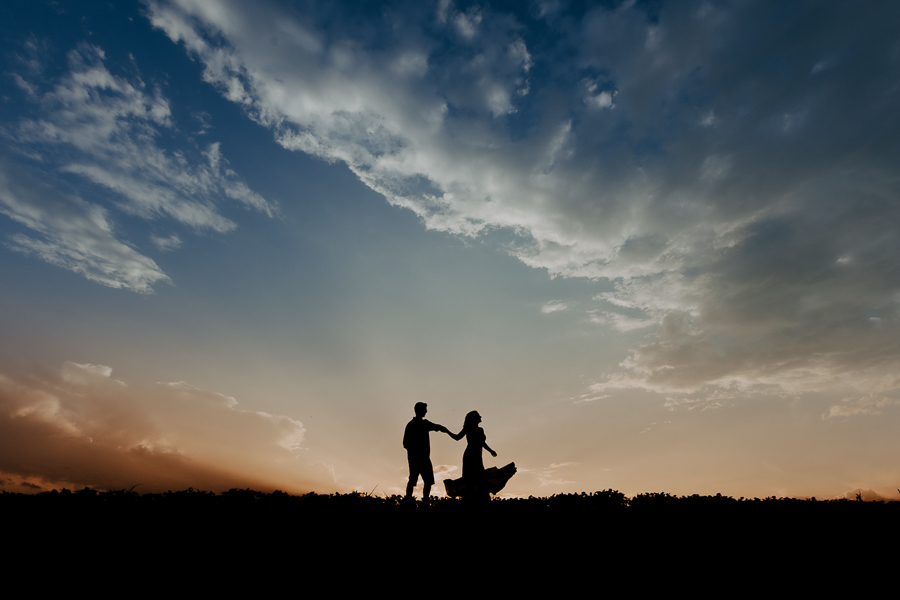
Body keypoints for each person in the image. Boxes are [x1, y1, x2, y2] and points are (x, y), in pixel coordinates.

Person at [445, 411, 515, 502]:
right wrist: (447, 431)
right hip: (470, 456)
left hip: (477, 456)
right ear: (474, 419)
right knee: (471, 478)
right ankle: (470, 498)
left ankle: (478, 498)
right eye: (478, 416)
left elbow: (482, 443)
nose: (480, 418)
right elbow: (457, 437)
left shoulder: (480, 430)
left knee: (479, 478)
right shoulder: (468, 428)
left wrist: (490, 450)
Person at [403, 402, 452, 502]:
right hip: (420, 458)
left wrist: (447, 431)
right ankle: (413, 500)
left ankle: (420, 500)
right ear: (419, 410)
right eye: (424, 409)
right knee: (415, 480)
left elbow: (438, 427)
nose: (426, 411)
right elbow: (405, 443)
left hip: (420, 458)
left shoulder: (415, 424)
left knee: (423, 481)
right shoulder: (418, 424)